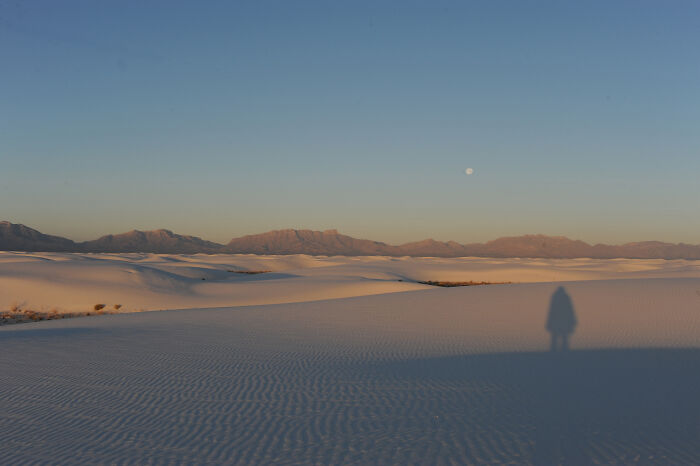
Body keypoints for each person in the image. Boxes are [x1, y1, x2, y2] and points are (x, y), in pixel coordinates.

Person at [546, 286, 577, 351]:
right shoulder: (565, 297)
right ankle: (563, 351)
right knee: (564, 337)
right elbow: (570, 310)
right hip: (563, 321)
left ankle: (554, 352)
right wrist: (573, 320)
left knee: (556, 337)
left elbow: (551, 311)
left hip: (557, 322)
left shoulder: (555, 297)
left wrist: (549, 322)